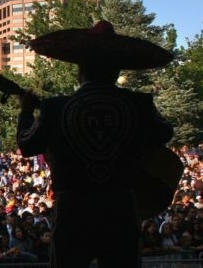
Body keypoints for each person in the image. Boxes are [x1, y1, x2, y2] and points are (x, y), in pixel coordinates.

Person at [17, 21, 174, 268]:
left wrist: (26, 112)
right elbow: (164, 132)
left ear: (80, 71)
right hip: (121, 207)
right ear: (116, 71)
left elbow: (27, 145)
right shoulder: (139, 104)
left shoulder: (55, 108)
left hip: (73, 209)